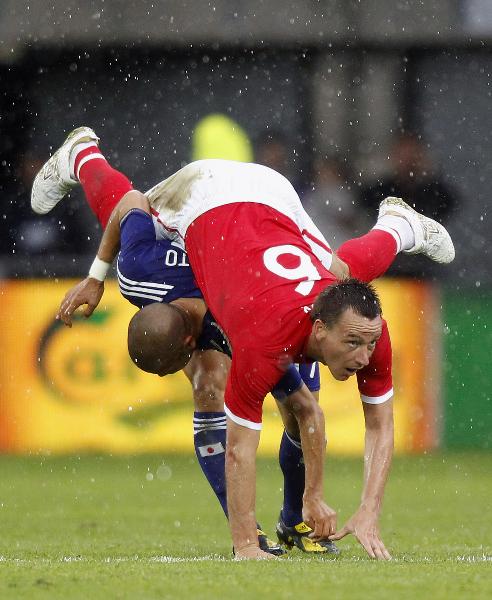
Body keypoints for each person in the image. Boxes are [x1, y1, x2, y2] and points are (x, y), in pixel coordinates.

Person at [32, 127, 454, 560]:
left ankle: (83, 153)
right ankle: (398, 227)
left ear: (190, 342)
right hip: (257, 214)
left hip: (208, 194)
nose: (190, 365)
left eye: (183, 360)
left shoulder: (157, 278)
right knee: (315, 293)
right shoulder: (159, 278)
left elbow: (129, 202)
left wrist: (95, 275)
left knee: (335, 291)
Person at [359, 132, 459, 278]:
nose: (407, 161)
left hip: (425, 267)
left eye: (412, 156)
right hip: (389, 266)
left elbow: (449, 202)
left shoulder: (432, 190)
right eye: (403, 156)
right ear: (394, 157)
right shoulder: (380, 189)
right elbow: (363, 205)